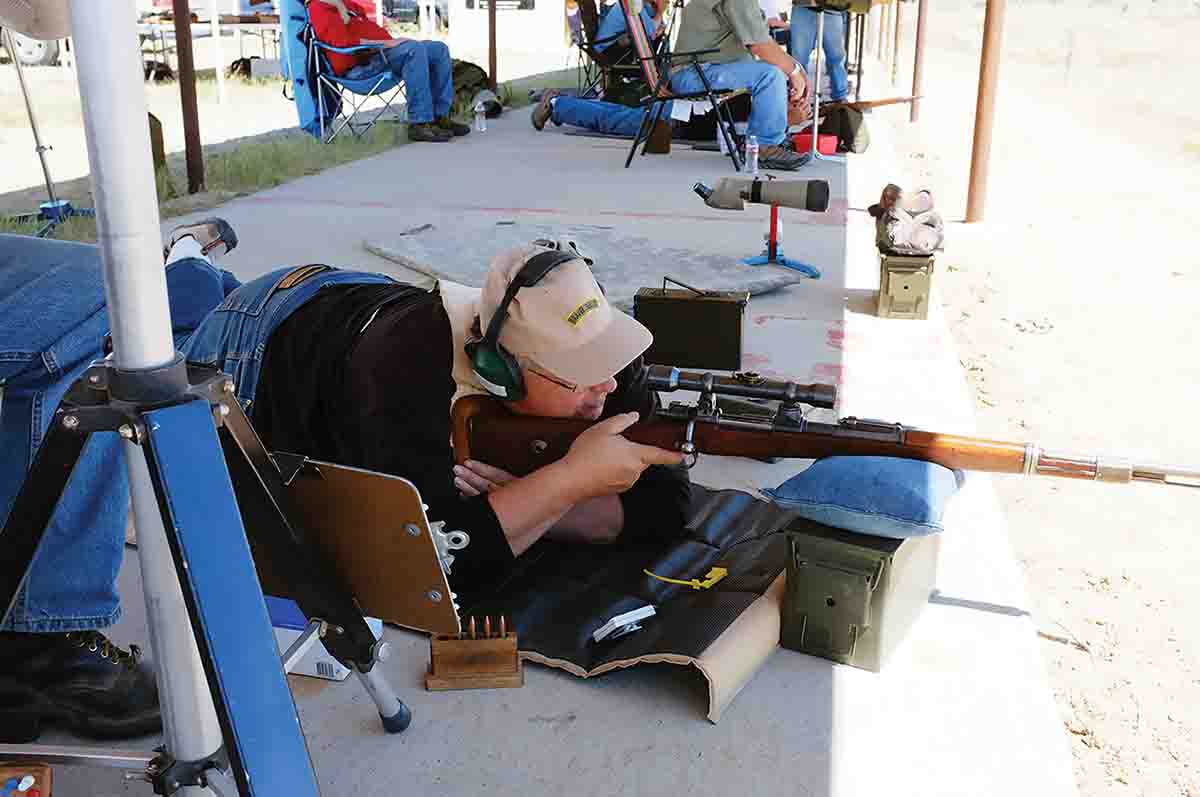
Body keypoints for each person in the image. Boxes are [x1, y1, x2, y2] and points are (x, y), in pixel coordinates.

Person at [0, 221, 690, 741]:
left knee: (177, 307)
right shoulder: (400, 372)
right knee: (155, 345)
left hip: (335, 294)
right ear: (505, 372)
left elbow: (667, 501)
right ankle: (184, 262)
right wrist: (572, 478)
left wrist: (542, 495)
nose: (606, 385)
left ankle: (188, 261)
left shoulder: (601, 360)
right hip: (259, 338)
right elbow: (442, 577)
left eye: (607, 356)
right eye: (577, 374)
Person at [309, 0, 471, 142]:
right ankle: (420, 122)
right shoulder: (318, 8)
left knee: (439, 49)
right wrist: (388, 44)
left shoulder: (346, 4)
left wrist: (390, 43)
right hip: (361, 68)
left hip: (381, 54)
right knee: (413, 50)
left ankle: (439, 116)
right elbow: (344, 44)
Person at [789, 1, 850, 103]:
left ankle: (840, 101)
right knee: (798, 60)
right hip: (802, 6)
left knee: (836, 57)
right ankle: (798, 100)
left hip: (832, 8)